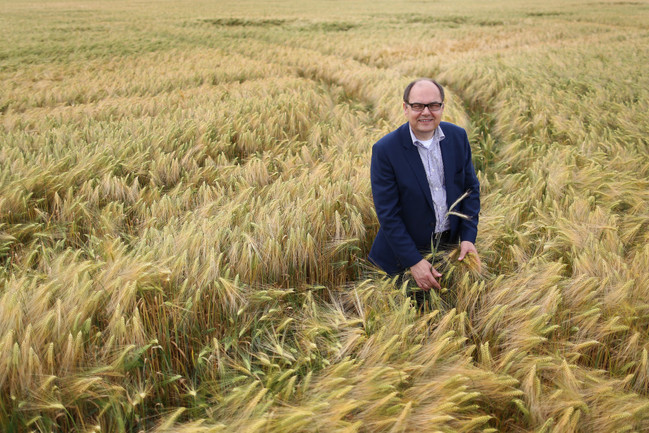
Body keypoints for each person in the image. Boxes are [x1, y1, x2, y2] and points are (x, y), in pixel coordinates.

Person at [368, 78, 481, 295]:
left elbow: (470, 190)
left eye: (433, 105)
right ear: (405, 108)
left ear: (442, 107)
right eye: (418, 106)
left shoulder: (457, 137)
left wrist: (468, 237)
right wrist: (414, 261)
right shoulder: (385, 150)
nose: (426, 112)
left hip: (449, 252)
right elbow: (388, 214)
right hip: (400, 260)